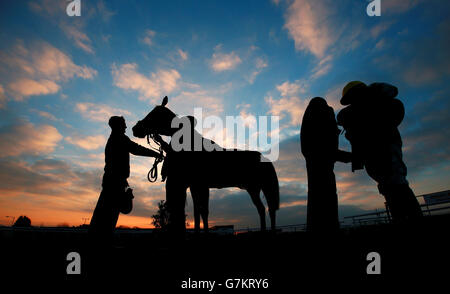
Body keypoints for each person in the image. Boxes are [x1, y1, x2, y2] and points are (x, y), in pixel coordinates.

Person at [337, 81, 423, 223]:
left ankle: (409, 220)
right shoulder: (359, 111)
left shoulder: (373, 108)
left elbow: (370, 132)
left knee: (395, 185)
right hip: (376, 156)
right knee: (390, 185)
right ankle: (404, 218)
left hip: (384, 153)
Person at [89, 116, 163, 245]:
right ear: (118, 126)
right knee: (109, 215)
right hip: (115, 182)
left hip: (113, 181)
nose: (126, 127)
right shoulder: (120, 138)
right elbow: (136, 149)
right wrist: (155, 153)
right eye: (124, 124)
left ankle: (99, 240)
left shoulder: (114, 139)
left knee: (105, 213)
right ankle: (101, 243)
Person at [301, 97, 351, 233]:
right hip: (324, 176)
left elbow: (327, 151)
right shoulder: (321, 116)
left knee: (318, 206)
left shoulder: (309, 129)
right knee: (325, 206)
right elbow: (328, 151)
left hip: (319, 176)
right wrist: (351, 157)